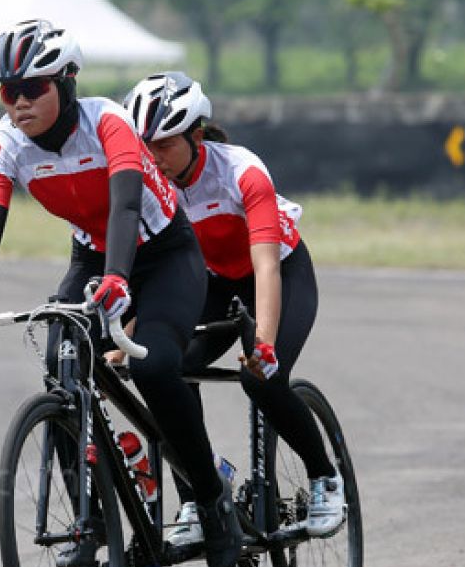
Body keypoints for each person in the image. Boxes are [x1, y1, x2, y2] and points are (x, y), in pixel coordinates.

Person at [0, 19, 241, 567]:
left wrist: (121, 277)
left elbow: (127, 206)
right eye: (9, 91)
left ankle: (211, 496)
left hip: (163, 252)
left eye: (34, 88)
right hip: (92, 257)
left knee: (156, 369)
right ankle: (93, 519)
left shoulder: (108, 122)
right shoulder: (7, 142)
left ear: (68, 81)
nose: (20, 102)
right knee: (62, 367)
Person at [123, 72, 346, 542]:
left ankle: (324, 476)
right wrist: (130, 331)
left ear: (196, 135)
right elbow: (153, 267)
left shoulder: (240, 171)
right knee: (166, 367)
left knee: (260, 378)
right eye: (144, 147)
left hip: (279, 273)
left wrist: (263, 344)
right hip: (214, 281)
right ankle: (200, 492)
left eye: (163, 145)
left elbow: (265, 265)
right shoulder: (143, 181)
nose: (153, 157)